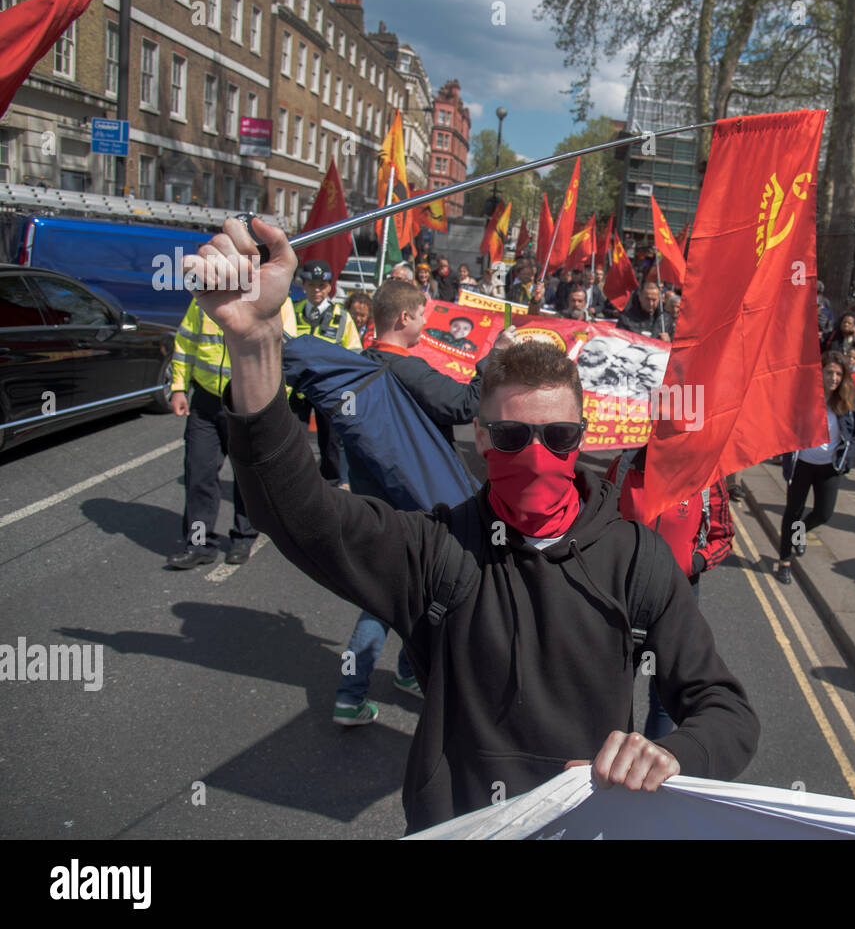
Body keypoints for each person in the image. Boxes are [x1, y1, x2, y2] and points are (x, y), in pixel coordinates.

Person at [187, 215, 759, 832]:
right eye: (513, 436)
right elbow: (295, 510)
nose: (536, 456)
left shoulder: (636, 559)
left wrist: (673, 754)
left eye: (558, 437)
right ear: (481, 436)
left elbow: (725, 709)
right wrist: (252, 343)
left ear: (580, 439)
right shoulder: (438, 548)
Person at [333, 278, 504, 725]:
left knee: (421, 593)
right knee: (387, 601)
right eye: (423, 314)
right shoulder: (405, 369)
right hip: (414, 508)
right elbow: (465, 404)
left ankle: (410, 672)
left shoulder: (359, 363)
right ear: (403, 318)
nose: (428, 322)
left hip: (372, 502)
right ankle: (350, 697)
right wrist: (493, 358)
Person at [604, 447, 734, 740]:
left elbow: (723, 536)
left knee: (664, 698)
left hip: (678, 597)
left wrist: (692, 562)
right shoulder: (624, 468)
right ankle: (612, 767)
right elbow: (601, 522)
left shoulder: (707, 476)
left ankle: (647, 770)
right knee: (616, 688)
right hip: (626, 594)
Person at [166, 294, 299, 569]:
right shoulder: (203, 298)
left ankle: (243, 538)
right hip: (205, 401)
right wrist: (178, 387)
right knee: (199, 473)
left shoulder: (273, 297)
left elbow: (285, 353)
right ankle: (199, 544)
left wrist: (275, 403)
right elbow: (186, 342)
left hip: (249, 402)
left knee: (246, 478)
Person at [774, 351, 855, 584]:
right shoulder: (804, 397)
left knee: (824, 513)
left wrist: (846, 458)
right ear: (820, 373)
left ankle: (800, 533)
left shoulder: (848, 399)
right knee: (793, 511)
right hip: (802, 464)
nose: (833, 378)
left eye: (838, 374)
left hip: (830, 467)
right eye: (829, 373)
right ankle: (784, 561)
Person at [292, 260, 362, 483]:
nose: (316, 290)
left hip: (329, 392)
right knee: (295, 445)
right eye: (311, 284)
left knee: (331, 445)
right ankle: (299, 487)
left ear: (329, 287)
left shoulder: (342, 317)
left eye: (321, 285)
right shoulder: (292, 312)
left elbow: (354, 355)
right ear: (304, 285)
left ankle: (331, 490)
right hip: (297, 390)